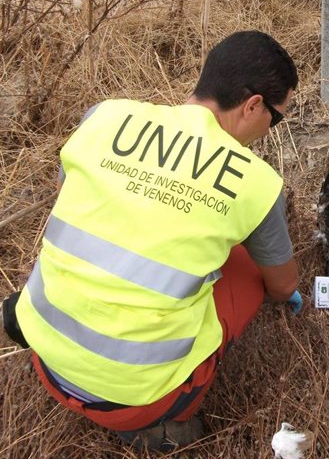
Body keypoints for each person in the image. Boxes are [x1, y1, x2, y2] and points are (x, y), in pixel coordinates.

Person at [1, 30, 303, 451]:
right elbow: (283, 286)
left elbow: (69, 195)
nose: (272, 128)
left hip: (44, 354)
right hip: (133, 400)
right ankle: (164, 424)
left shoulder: (103, 117)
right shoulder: (255, 182)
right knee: (249, 267)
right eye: (277, 115)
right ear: (254, 105)